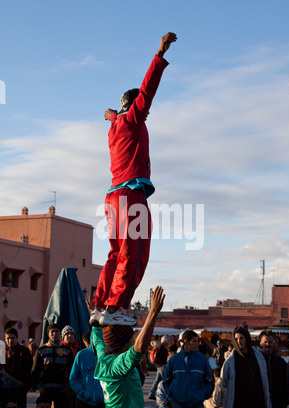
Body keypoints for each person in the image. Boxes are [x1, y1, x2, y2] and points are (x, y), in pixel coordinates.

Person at [90, 32, 177, 329]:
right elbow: (148, 89)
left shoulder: (115, 127)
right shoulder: (133, 120)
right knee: (134, 252)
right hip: (130, 195)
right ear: (135, 106)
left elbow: (116, 114)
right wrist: (160, 54)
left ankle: (101, 303)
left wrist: (112, 114)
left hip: (112, 198)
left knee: (116, 251)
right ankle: (116, 306)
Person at [90, 285, 165, 408]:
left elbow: (97, 337)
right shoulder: (119, 364)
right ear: (123, 343)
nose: (133, 339)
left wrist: (96, 313)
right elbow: (139, 347)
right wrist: (152, 313)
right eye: (131, 337)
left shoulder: (104, 357)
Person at [220, 322, 275, 408]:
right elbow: (223, 383)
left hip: (258, 406)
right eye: (237, 338)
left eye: (242, 338)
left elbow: (264, 379)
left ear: (247, 338)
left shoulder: (257, 356)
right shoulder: (230, 361)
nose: (239, 341)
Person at [163, 330, 214, 408]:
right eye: (194, 341)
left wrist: (203, 395)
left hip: (197, 405)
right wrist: (173, 394)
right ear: (185, 342)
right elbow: (166, 380)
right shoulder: (174, 360)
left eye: (198, 341)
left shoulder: (202, 359)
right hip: (179, 405)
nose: (197, 344)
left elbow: (209, 380)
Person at [31, 323, 74, 408]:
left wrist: (67, 386)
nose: (54, 334)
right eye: (52, 332)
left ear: (60, 334)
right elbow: (35, 370)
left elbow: (71, 371)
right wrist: (38, 386)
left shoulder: (67, 351)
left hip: (61, 389)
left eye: (57, 331)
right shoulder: (41, 350)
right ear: (48, 334)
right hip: (45, 389)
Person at [69, 331, 105, 408]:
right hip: (83, 400)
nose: (97, 342)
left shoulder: (105, 356)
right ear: (91, 340)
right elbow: (73, 378)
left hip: (100, 402)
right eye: (95, 339)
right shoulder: (82, 355)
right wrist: (82, 392)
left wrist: (104, 395)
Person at [258, 330, 288, 408]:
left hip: (278, 404)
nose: (268, 344)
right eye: (265, 342)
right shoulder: (256, 362)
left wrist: (284, 400)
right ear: (260, 343)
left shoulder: (280, 362)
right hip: (261, 404)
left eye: (270, 342)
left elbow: (286, 382)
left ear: (274, 343)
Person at [2, 328, 33, 408]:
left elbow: (28, 370)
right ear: (5, 338)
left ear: (17, 338)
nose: (10, 340)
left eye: (12, 338)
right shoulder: (2, 352)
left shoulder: (24, 351)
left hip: (20, 389)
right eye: (8, 338)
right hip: (5, 389)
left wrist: (25, 387)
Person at [148, 335, 171, 399]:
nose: (169, 341)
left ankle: (152, 394)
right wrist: (162, 363)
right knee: (165, 380)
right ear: (165, 340)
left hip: (159, 366)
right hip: (161, 366)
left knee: (157, 380)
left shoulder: (161, 346)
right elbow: (159, 356)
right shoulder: (162, 347)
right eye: (168, 339)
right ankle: (165, 394)